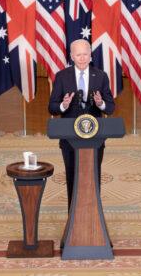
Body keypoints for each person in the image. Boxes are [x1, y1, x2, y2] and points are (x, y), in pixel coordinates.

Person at [48, 39, 115, 209]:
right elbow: (52, 107)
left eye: (85, 54)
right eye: (78, 55)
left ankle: (94, 215)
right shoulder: (62, 76)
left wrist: (100, 104)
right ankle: (73, 216)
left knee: (93, 175)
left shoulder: (100, 76)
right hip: (69, 137)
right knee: (72, 176)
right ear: (72, 56)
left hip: (95, 137)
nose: (82, 58)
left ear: (90, 55)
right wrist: (64, 104)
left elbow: (111, 107)